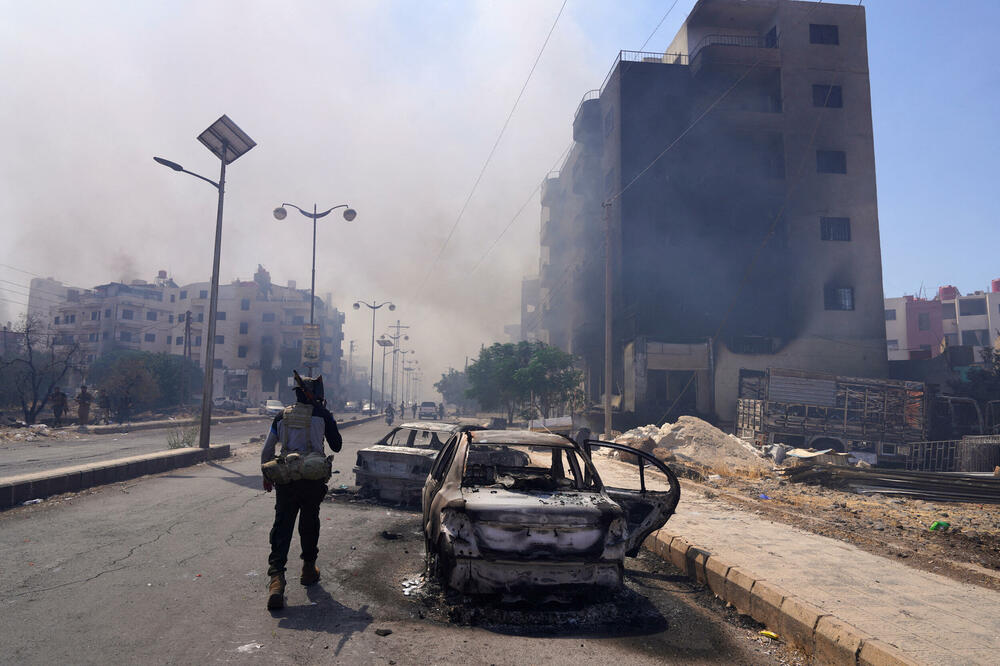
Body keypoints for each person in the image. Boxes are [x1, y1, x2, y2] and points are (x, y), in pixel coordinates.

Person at [261, 372, 342, 611]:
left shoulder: (281, 416)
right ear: (315, 395)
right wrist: (328, 421)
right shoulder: (323, 415)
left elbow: (267, 451)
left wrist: (266, 476)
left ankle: (276, 580)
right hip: (312, 480)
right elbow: (336, 445)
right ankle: (308, 569)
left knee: (282, 525)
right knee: (309, 522)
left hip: (286, 479)